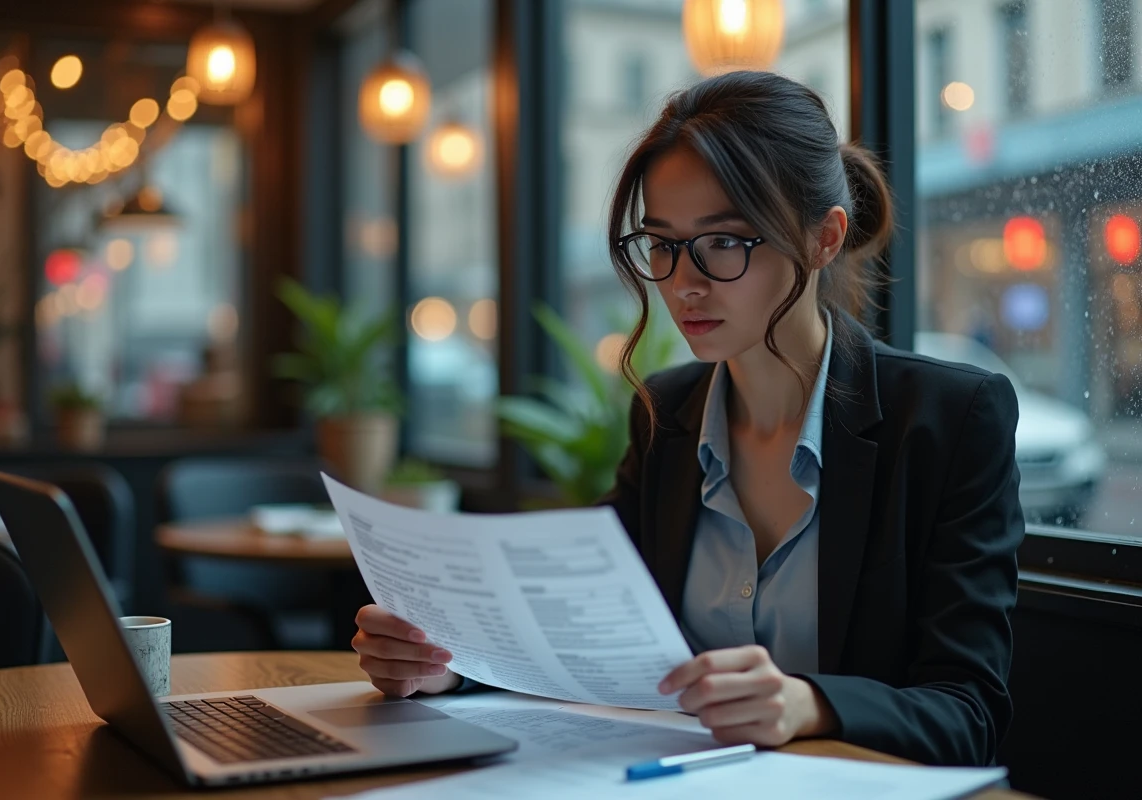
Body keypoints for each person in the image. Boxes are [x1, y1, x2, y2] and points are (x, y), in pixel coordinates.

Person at [350, 71, 1024, 768]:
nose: (683, 282)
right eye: (663, 244)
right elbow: (579, 634)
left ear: (825, 238)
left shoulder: (949, 419)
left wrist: (806, 703)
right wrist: (447, 663)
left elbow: (968, 711)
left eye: (724, 242)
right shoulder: (668, 415)